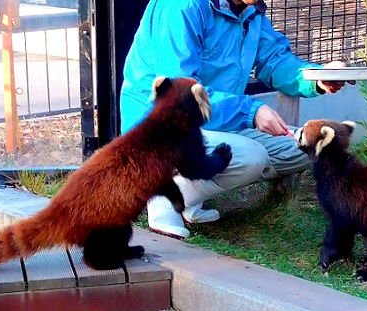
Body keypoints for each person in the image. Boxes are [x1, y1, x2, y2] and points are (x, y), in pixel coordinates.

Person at [120, 0, 351, 239]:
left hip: (216, 122)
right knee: (252, 157)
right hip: (160, 127)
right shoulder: (180, 6)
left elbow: (275, 60)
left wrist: (319, 77)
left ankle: (190, 195)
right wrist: (249, 111)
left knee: (313, 148)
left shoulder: (250, 11)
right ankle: (164, 195)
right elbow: (180, 92)